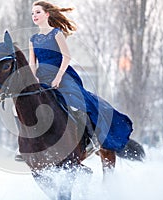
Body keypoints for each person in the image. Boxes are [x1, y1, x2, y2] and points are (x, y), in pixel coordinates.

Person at [28, 0, 133, 153]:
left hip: (63, 76)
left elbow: (66, 57)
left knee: (79, 103)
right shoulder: (33, 39)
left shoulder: (56, 34)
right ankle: (28, 145)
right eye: (32, 13)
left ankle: (92, 139)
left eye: (38, 12)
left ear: (47, 14)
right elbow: (32, 62)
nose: (34, 15)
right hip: (42, 78)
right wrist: (34, 78)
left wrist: (57, 78)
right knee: (25, 106)